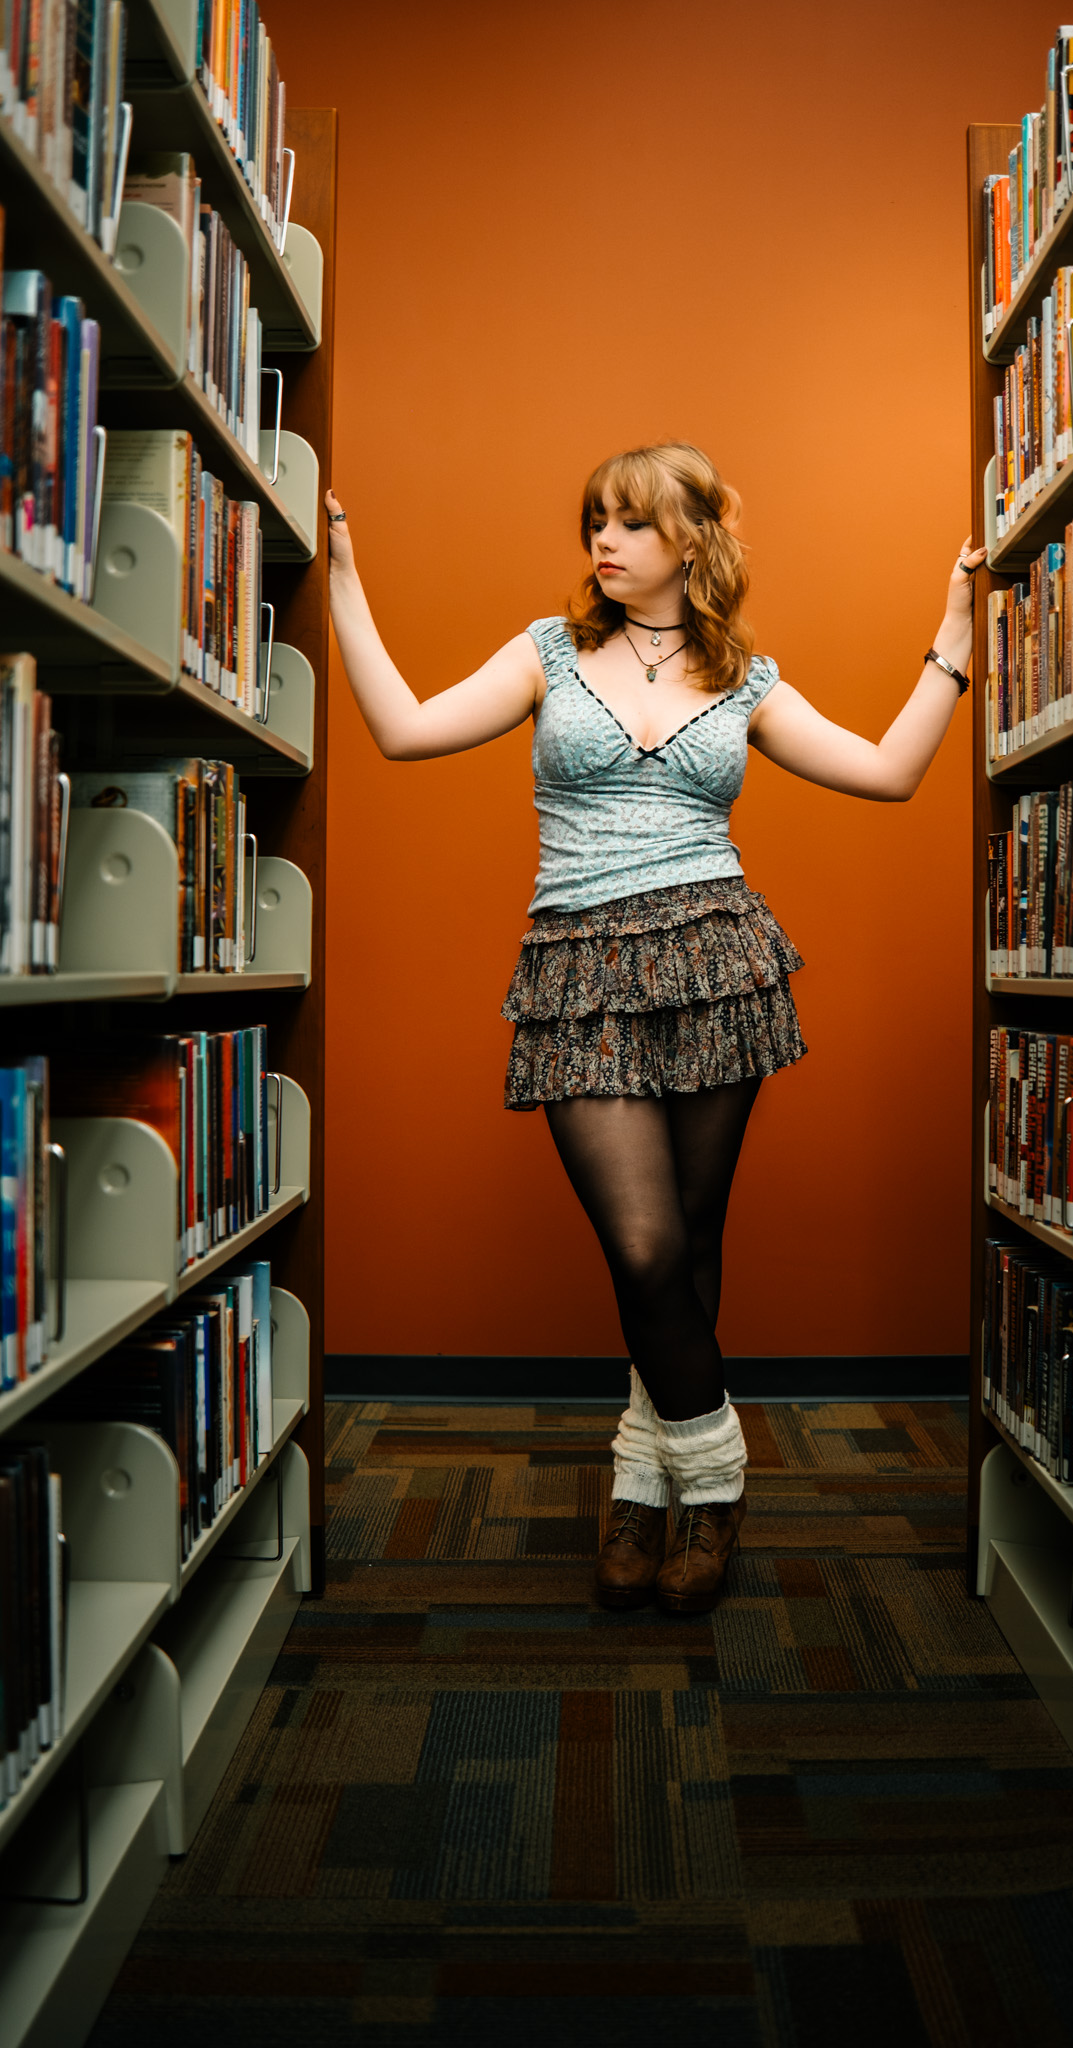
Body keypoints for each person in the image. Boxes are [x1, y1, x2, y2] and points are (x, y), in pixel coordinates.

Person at [325, 441, 984, 1616]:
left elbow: (888, 773)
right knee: (642, 1245)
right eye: (594, 521)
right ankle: (717, 1474)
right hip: (579, 963)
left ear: (691, 538)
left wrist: (953, 641)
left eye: (627, 521)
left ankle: (638, 1480)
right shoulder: (547, 651)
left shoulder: (746, 677)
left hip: (719, 958)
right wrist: (341, 584)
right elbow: (405, 730)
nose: (602, 542)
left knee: (688, 1242)